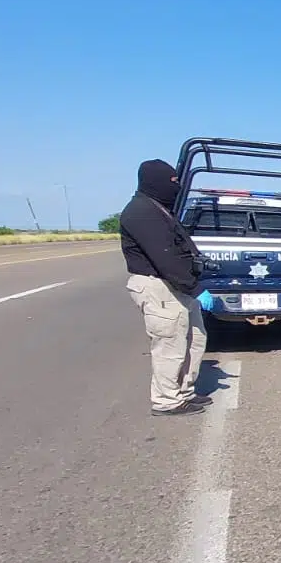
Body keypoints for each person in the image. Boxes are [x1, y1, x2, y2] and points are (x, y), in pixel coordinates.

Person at [120, 158, 210, 417]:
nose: (177, 187)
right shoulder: (141, 212)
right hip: (160, 286)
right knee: (170, 346)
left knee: (194, 339)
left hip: (178, 287)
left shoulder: (157, 208)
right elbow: (165, 256)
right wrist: (195, 288)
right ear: (154, 181)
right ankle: (166, 401)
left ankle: (184, 391)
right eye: (172, 182)